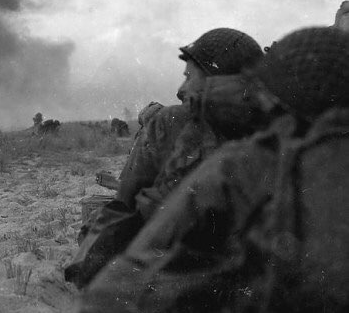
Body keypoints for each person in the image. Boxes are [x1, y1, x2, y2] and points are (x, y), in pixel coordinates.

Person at [79, 26, 349, 313]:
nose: (183, 89)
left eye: (190, 76)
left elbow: (133, 222)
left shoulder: (239, 159)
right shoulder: (229, 146)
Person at [66, 28, 263, 288]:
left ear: (219, 82)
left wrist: (88, 273)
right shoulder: (282, 131)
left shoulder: (172, 123)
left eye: (190, 76)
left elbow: (125, 205)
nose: (182, 89)